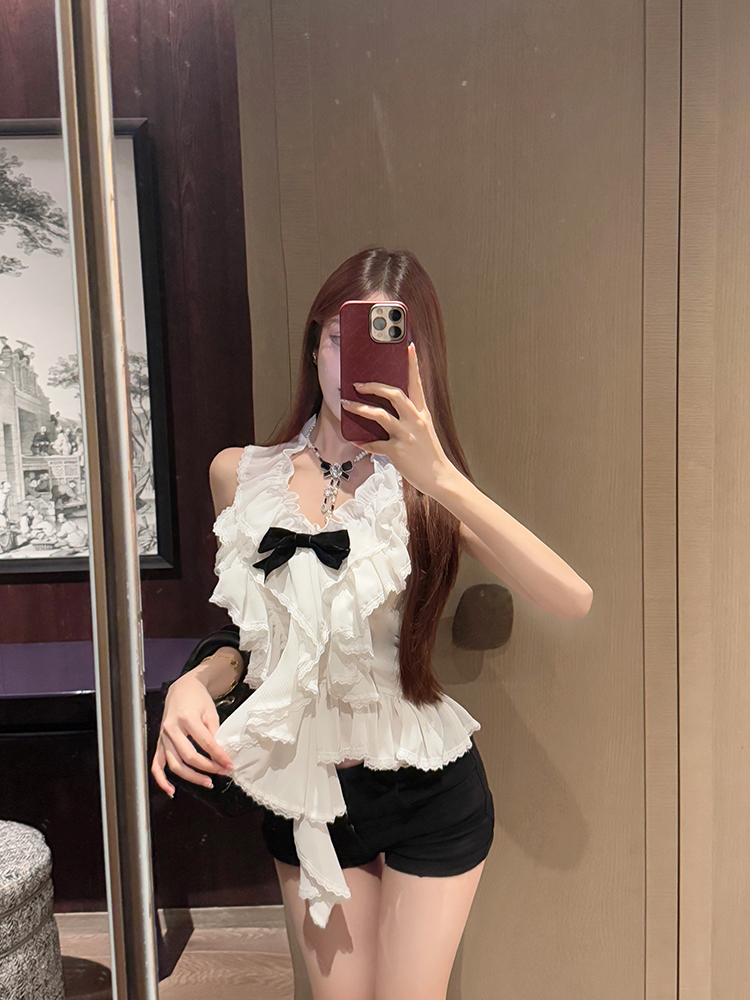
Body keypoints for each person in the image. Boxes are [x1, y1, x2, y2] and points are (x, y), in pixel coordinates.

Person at [151, 248, 593, 1000]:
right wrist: (192, 683)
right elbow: (257, 644)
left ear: (419, 363)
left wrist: (438, 473)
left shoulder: (423, 493)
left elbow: (571, 598)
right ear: (314, 344)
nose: (350, 365)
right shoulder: (240, 474)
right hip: (308, 792)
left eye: (390, 345)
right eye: (338, 339)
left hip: (428, 789)